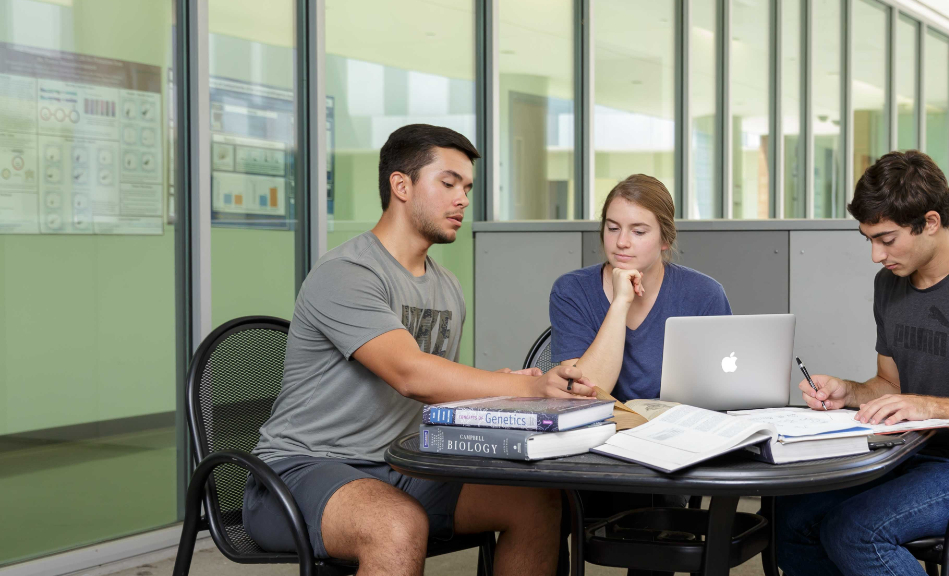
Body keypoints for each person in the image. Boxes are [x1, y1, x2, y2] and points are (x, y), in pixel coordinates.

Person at [245, 124, 595, 576]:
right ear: (401, 185)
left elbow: (437, 384)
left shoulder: (446, 285)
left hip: (401, 464)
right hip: (300, 470)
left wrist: (508, 391)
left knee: (537, 499)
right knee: (396, 524)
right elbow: (411, 375)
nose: (462, 199)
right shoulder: (347, 273)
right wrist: (526, 387)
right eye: (448, 183)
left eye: (467, 187)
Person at [775, 150, 949, 576]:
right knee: (789, 517)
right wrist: (848, 392)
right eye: (868, 240)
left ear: (930, 222)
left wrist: (931, 408)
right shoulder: (891, 284)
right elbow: (890, 384)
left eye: (886, 239)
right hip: (905, 456)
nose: (875, 255)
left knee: (856, 531)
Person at [547, 173, 732, 401]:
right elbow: (587, 390)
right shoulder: (571, 290)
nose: (622, 242)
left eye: (638, 232)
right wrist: (620, 303)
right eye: (613, 228)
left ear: (665, 240)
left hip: (683, 428)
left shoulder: (705, 294)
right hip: (602, 430)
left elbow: (725, 388)